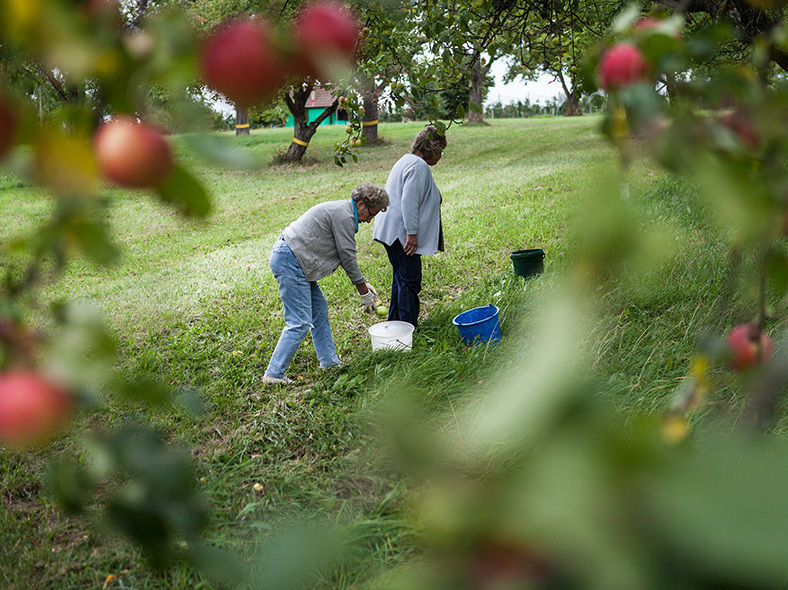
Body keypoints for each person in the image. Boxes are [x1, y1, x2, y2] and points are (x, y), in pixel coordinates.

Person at [263, 182, 390, 385]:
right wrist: (363, 291)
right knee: (300, 321)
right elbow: (347, 257)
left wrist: (364, 284)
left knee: (319, 310)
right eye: (371, 214)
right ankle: (274, 373)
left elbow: (345, 255)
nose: (369, 220)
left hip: (296, 260)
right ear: (360, 204)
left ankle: (329, 363)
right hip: (291, 259)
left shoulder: (344, 212)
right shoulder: (345, 216)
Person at [372, 125, 447, 328]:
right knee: (410, 281)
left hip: (392, 231)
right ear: (431, 149)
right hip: (401, 235)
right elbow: (409, 201)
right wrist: (412, 234)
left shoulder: (407, 161)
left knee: (401, 279)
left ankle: (395, 325)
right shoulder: (417, 166)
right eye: (440, 151)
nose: (440, 156)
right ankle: (408, 327)